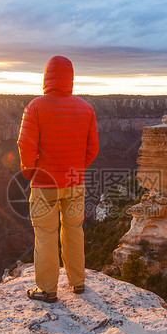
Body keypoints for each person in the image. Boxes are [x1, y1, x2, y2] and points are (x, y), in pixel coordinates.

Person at [17, 55, 99, 303]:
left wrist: (31, 172)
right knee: (74, 230)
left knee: (45, 235)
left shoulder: (36, 107)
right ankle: (78, 283)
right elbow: (93, 148)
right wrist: (75, 168)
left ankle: (47, 290)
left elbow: (25, 145)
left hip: (45, 184)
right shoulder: (86, 108)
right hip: (75, 181)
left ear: (46, 77)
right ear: (70, 78)